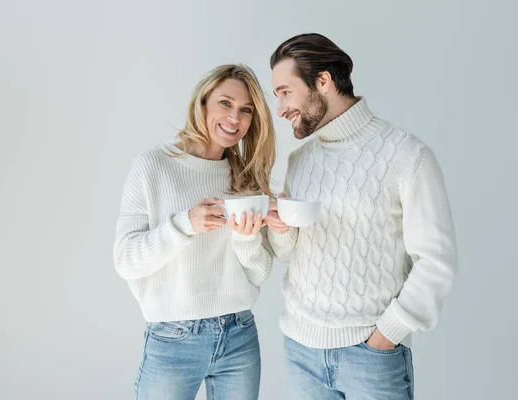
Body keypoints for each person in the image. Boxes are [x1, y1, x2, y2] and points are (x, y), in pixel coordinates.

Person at [264, 33, 458, 399]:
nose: (280, 108)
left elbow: (437, 261)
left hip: (371, 357)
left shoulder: (407, 156)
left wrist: (387, 335)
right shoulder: (299, 160)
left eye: (285, 91)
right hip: (300, 351)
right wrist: (281, 228)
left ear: (323, 81)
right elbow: (290, 251)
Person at [113, 64, 276, 400]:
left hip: (239, 334)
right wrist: (185, 224)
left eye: (246, 110)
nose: (235, 119)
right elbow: (126, 260)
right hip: (173, 339)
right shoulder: (153, 165)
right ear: (202, 103)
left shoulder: (245, 177)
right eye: (225, 103)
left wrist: (246, 237)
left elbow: (259, 272)